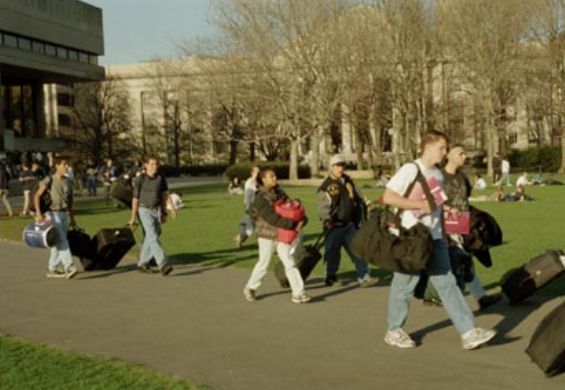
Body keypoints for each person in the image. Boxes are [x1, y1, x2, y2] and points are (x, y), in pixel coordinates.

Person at [382, 130, 496, 350]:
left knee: (448, 284)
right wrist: (417, 206)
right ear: (428, 147)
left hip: (435, 237)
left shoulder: (438, 174)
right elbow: (388, 197)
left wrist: (449, 210)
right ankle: (394, 330)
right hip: (411, 238)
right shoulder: (410, 169)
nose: (445, 153)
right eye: (442, 148)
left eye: (446, 148)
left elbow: (436, 203)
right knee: (404, 284)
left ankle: (469, 332)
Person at [436, 144, 501, 310]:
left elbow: (465, 199)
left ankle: (479, 297)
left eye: (464, 153)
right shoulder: (439, 177)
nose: (464, 156)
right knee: (458, 261)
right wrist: (449, 211)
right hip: (445, 225)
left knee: (464, 261)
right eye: (460, 153)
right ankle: (441, 295)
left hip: (464, 224)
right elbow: (432, 202)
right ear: (449, 155)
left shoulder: (463, 177)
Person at [243, 168, 311, 304]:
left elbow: (292, 208)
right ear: (263, 179)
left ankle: (298, 293)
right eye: (271, 176)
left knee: (289, 262)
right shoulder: (260, 198)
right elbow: (271, 217)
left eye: (275, 176)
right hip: (267, 235)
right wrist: (292, 225)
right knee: (263, 263)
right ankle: (250, 287)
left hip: (283, 234)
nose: (275, 178)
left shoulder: (280, 192)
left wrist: (302, 219)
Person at [316, 154, 377, 287]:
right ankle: (330, 277)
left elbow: (358, 196)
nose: (340, 168)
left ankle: (364, 277)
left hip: (349, 225)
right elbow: (322, 207)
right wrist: (326, 219)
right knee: (332, 253)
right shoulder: (326, 186)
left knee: (358, 250)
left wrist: (365, 203)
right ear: (331, 167)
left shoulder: (349, 181)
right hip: (333, 226)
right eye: (337, 165)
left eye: (342, 165)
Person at [129, 155, 176, 276]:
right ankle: (163, 263)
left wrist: (168, 210)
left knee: (154, 234)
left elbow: (165, 195)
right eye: (152, 164)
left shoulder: (161, 178)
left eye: (156, 164)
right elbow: (135, 200)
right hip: (144, 210)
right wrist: (133, 217)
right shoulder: (140, 179)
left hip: (156, 210)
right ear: (146, 165)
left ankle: (142, 262)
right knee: (153, 236)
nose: (155, 167)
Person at [35, 155, 79, 279]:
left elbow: (70, 202)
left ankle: (52, 268)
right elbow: (37, 196)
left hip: (64, 213)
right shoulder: (49, 180)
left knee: (57, 241)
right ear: (57, 166)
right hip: (52, 214)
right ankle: (69, 266)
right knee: (62, 240)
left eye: (67, 164)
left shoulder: (69, 181)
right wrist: (39, 213)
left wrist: (72, 218)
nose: (67, 167)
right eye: (64, 164)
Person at [234, 166, 260, 248]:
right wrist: (248, 208)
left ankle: (240, 237)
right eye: (256, 172)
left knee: (255, 225)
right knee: (251, 228)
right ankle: (239, 238)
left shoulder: (257, 182)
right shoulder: (249, 182)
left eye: (258, 171)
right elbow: (248, 196)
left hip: (257, 207)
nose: (258, 173)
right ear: (252, 172)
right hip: (251, 207)